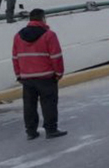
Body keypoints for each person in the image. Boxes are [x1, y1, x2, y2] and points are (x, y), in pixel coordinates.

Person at [12, 9, 67, 140]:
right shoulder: (49, 35)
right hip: (46, 77)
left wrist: (19, 74)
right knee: (49, 103)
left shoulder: (18, 36)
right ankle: (51, 130)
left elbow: (15, 57)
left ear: (30, 20)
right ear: (43, 19)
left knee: (29, 105)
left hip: (27, 77)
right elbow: (56, 56)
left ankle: (31, 131)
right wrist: (59, 73)